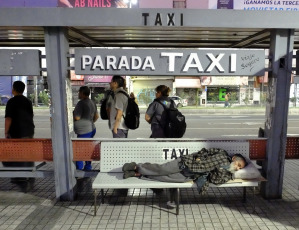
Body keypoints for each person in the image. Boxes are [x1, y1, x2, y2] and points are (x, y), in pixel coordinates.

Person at [122, 148, 247, 194]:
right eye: (239, 164)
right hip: (185, 163)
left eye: (240, 168)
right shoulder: (222, 153)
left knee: (164, 179)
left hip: (189, 176)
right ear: (234, 158)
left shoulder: (227, 175)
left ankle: (138, 174)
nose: (238, 168)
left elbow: (215, 180)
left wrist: (224, 170)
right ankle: (135, 167)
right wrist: (198, 156)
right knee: (161, 169)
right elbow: (206, 151)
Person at [3, 81, 35, 182]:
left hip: (16, 132)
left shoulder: (11, 102)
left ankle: (19, 176)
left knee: (16, 153)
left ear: (14, 89)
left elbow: (8, 118)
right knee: (27, 152)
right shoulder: (28, 101)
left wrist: (6, 132)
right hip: (29, 131)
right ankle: (30, 173)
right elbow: (31, 115)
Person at [73, 86, 99, 170]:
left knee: (79, 150)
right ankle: (88, 166)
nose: (78, 94)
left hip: (84, 131)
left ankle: (79, 168)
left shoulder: (81, 103)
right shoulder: (92, 102)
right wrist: (90, 122)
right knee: (88, 148)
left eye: (79, 92)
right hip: (92, 128)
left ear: (82, 93)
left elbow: (77, 117)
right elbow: (96, 116)